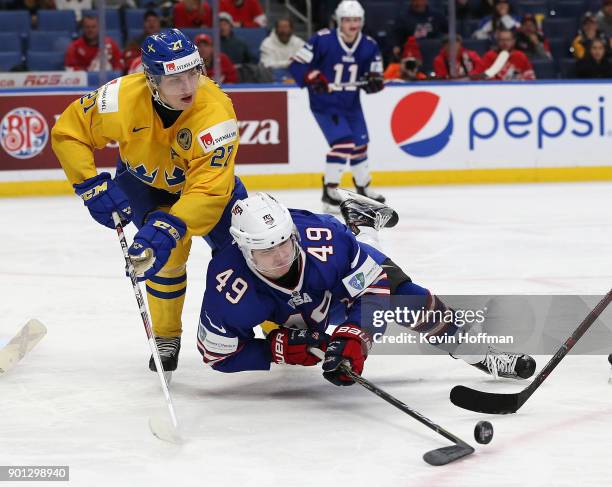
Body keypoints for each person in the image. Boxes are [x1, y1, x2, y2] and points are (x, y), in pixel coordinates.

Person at [51, 29, 247, 374]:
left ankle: (278, 323)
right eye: (175, 79)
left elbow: (208, 190)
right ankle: (166, 336)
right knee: (162, 257)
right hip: (143, 185)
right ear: (152, 80)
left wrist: (170, 225)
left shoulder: (217, 112)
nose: (188, 87)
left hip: (208, 189)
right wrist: (90, 185)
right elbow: (70, 130)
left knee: (248, 252)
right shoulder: (119, 99)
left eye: (193, 73)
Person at [197, 191, 537, 386]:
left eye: (285, 244)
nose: (281, 257)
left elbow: (375, 285)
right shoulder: (228, 285)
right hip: (292, 308)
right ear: (243, 250)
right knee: (306, 326)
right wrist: (273, 349)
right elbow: (217, 355)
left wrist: (355, 335)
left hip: (336, 270)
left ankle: (482, 353)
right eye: (266, 252)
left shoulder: (324, 241)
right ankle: (360, 219)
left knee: (409, 299)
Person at [289, 0, 386, 212]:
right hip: (325, 103)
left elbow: (375, 77)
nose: (353, 24)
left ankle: (363, 189)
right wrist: (311, 76)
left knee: (360, 145)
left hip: (351, 104)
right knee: (344, 144)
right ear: (339, 21)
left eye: (357, 20)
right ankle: (330, 192)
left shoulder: (369, 45)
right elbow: (297, 65)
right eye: (348, 20)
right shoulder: (322, 40)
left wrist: (374, 82)